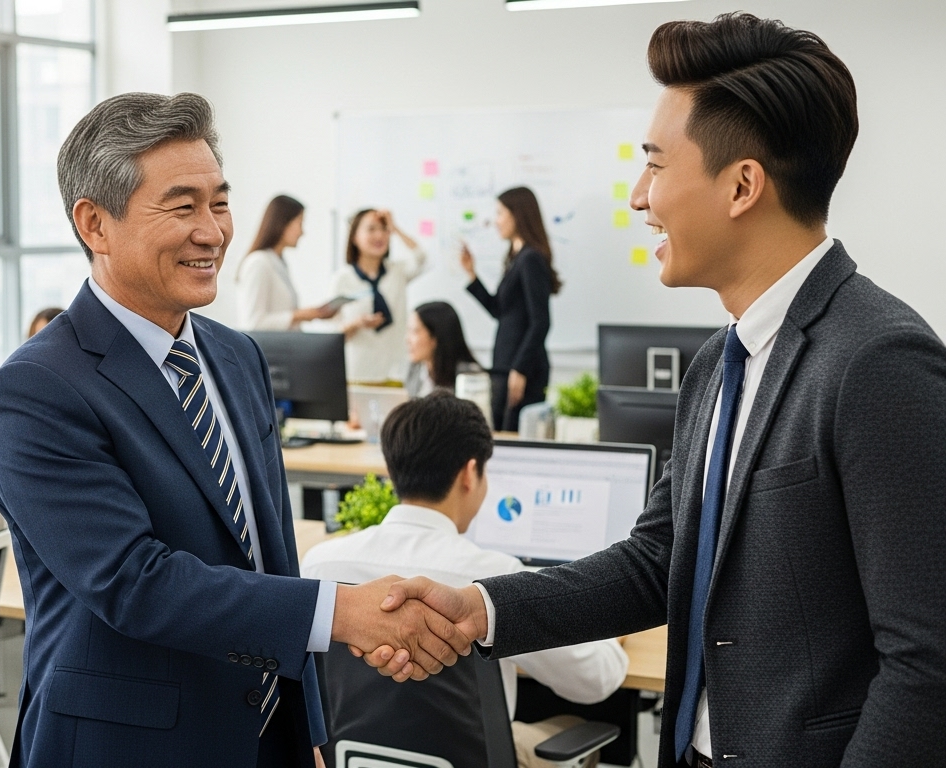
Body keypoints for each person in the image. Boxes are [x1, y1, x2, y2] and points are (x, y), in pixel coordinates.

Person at [364, 13, 946, 767]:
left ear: (743, 186)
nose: (639, 197)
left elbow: (928, 664)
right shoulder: (717, 362)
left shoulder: (878, 360)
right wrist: (481, 609)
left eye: (656, 165)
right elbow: (659, 559)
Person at [0, 92, 474, 768]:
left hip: (265, 739)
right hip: (125, 748)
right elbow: (136, 583)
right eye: (183, 206)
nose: (212, 231)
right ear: (96, 225)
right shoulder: (40, 386)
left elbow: (271, 551)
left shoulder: (236, 354)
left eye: (219, 202)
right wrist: (341, 614)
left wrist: (307, 725)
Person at [302, 392, 627, 768]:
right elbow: (596, 680)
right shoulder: (493, 577)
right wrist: (611, 633)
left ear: (393, 470)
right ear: (470, 473)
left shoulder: (320, 563)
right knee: (570, 725)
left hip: (351, 759)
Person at [459, 187, 559, 431]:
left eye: (501, 213)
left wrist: (519, 369)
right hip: (506, 365)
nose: (496, 221)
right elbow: (500, 311)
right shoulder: (516, 257)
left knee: (511, 438)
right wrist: (472, 274)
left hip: (521, 368)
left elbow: (541, 321)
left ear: (518, 215)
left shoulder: (530, 259)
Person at [329, 209, 426, 383]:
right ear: (354, 237)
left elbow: (422, 258)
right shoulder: (342, 279)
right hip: (357, 372)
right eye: (371, 229)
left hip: (396, 372)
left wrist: (395, 228)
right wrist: (357, 324)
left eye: (384, 229)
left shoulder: (397, 272)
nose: (379, 235)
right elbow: (333, 334)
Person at [235, 195, 339, 331]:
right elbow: (253, 323)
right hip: (270, 350)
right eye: (300, 223)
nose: (302, 232)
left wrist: (312, 314)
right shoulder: (258, 262)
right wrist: (299, 315)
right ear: (283, 222)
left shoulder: (279, 263)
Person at [404, 301, 481, 398]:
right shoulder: (415, 370)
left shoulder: (469, 376)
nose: (407, 339)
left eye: (415, 331)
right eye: (408, 331)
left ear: (435, 337)